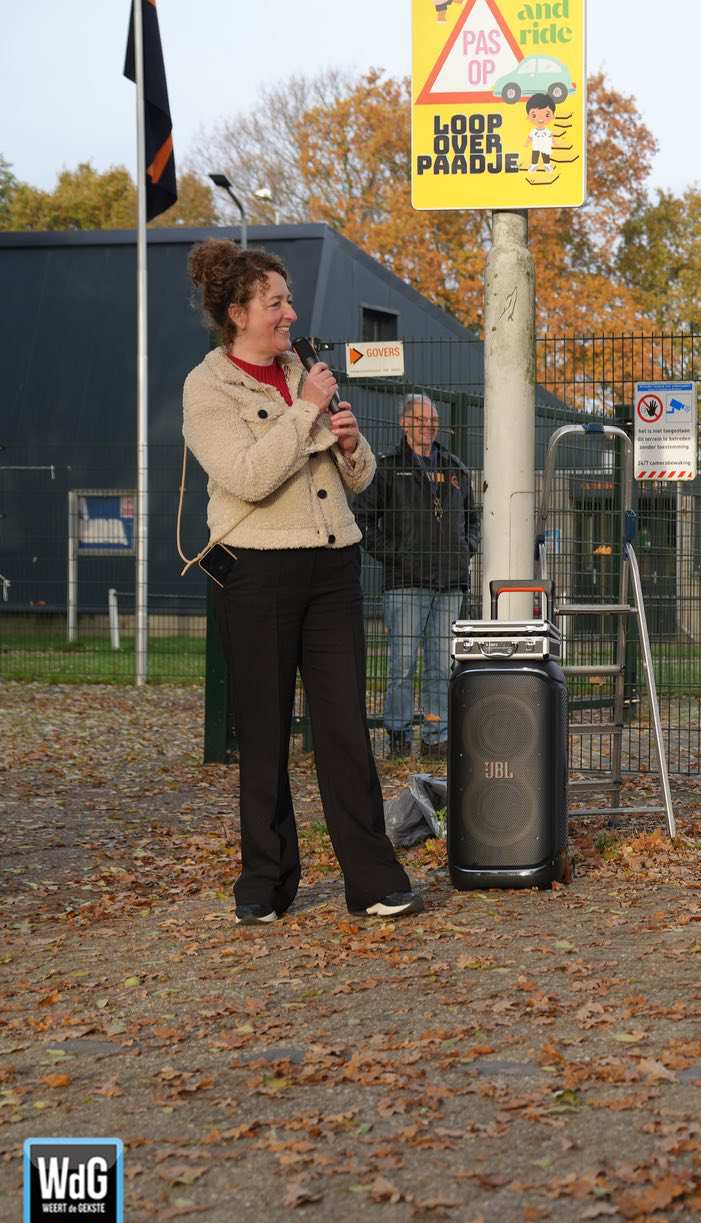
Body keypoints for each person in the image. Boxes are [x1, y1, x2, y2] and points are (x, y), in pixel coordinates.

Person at [180, 239, 421, 923]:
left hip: (333, 565)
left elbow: (361, 477)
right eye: (276, 302)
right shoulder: (208, 387)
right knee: (263, 735)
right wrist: (307, 413)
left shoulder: (303, 370)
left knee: (345, 729)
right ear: (238, 313)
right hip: (256, 570)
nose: (290, 313)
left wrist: (349, 444)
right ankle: (265, 883)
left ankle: (374, 881)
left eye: (288, 301)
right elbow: (248, 477)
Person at [361, 395, 478, 761]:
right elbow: (363, 522)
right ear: (404, 423)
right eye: (421, 419)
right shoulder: (387, 468)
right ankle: (397, 735)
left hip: (449, 582)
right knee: (402, 664)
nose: (429, 425)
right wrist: (398, 556)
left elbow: (473, 520)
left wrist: (466, 547)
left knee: (441, 665)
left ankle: (435, 735)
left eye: (434, 419)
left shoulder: (455, 468)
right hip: (406, 583)